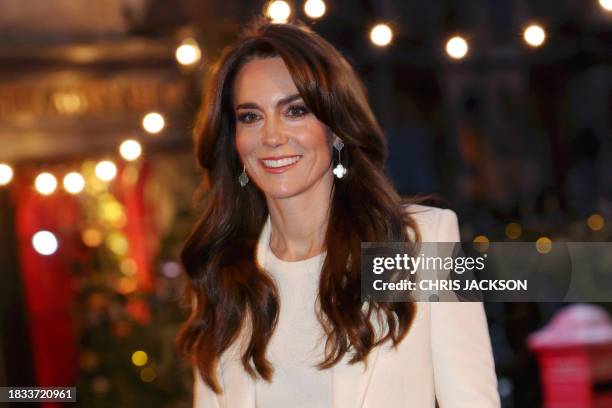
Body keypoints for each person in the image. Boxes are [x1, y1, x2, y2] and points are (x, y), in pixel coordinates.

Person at [177, 18, 500, 408]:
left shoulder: (419, 243)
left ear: (335, 129)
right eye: (250, 116)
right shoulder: (224, 276)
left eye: (295, 110)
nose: (272, 136)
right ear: (234, 141)